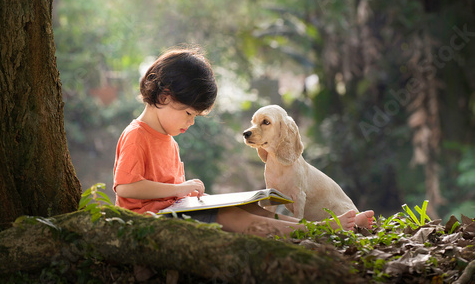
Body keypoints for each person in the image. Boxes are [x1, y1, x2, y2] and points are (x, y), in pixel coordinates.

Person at [113, 46, 374, 237]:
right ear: (166, 95)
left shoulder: (169, 140)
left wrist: (185, 191)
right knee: (231, 216)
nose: (190, 122)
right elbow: (126, 188)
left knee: (258, 209)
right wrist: (179, 190)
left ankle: (313, 228)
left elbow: (171, 192)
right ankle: (312, 232)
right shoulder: (137, 135)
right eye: (189, 113)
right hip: (148, 223)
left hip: (175, 211)